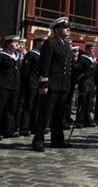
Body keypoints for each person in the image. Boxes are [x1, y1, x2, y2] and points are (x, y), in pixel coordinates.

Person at [32, 17, 73, 152]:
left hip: (63, 85)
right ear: (57, 29)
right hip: (52, 85)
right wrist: (43, 84)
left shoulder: (66, 45)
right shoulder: (50, 43)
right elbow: (44, 65)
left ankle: (57, 140)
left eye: (68, 27)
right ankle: (38, 139)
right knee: (45, 113)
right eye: (65, 27)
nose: (68, 29)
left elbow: (68, 66)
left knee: (59, 115)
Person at [0, 35, 22, 140]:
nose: (17, 44)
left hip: (14, 86)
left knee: (11, 109)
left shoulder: (17, 55)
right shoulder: (1, 56)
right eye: (14, 42)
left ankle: (8, 130)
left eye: (18, 42)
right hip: (2, 86)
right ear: (8, 43)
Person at [19, 34, 47, 136]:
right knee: (28, 106)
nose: (43, 44)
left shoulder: (44, 55)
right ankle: (24, 127)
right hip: (31, 83)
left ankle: (35, 126)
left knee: (38, 107)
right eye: (42, 42)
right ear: (37, 43)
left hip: (40, 84)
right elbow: (25, 71)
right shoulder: (31, 54)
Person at [75, 41, 97, 128]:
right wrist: (82, 78)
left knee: (89, 101)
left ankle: (87, 119)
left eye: (94, 48)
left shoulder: (93, 59)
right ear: (87, 49)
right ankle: (80, 120)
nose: (93, 50)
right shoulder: (82, 58)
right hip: (84, 82)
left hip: (91, 82)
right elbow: (78, 70)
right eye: (91, 48)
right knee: (82, 101)